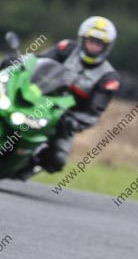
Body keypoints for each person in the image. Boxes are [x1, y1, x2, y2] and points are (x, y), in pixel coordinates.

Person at [8, 17, 120, 179]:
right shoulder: (66, 48)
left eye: (99, 44)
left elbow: (93, 113)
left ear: (106, 47)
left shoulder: (108, 78)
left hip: (62, 116)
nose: (94, 47)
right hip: (36, 98)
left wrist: (73, 121)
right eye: (91, 41)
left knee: (57, 160)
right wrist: (19, 62)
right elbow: (37, 62)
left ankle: (25, 168)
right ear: (82, 39)